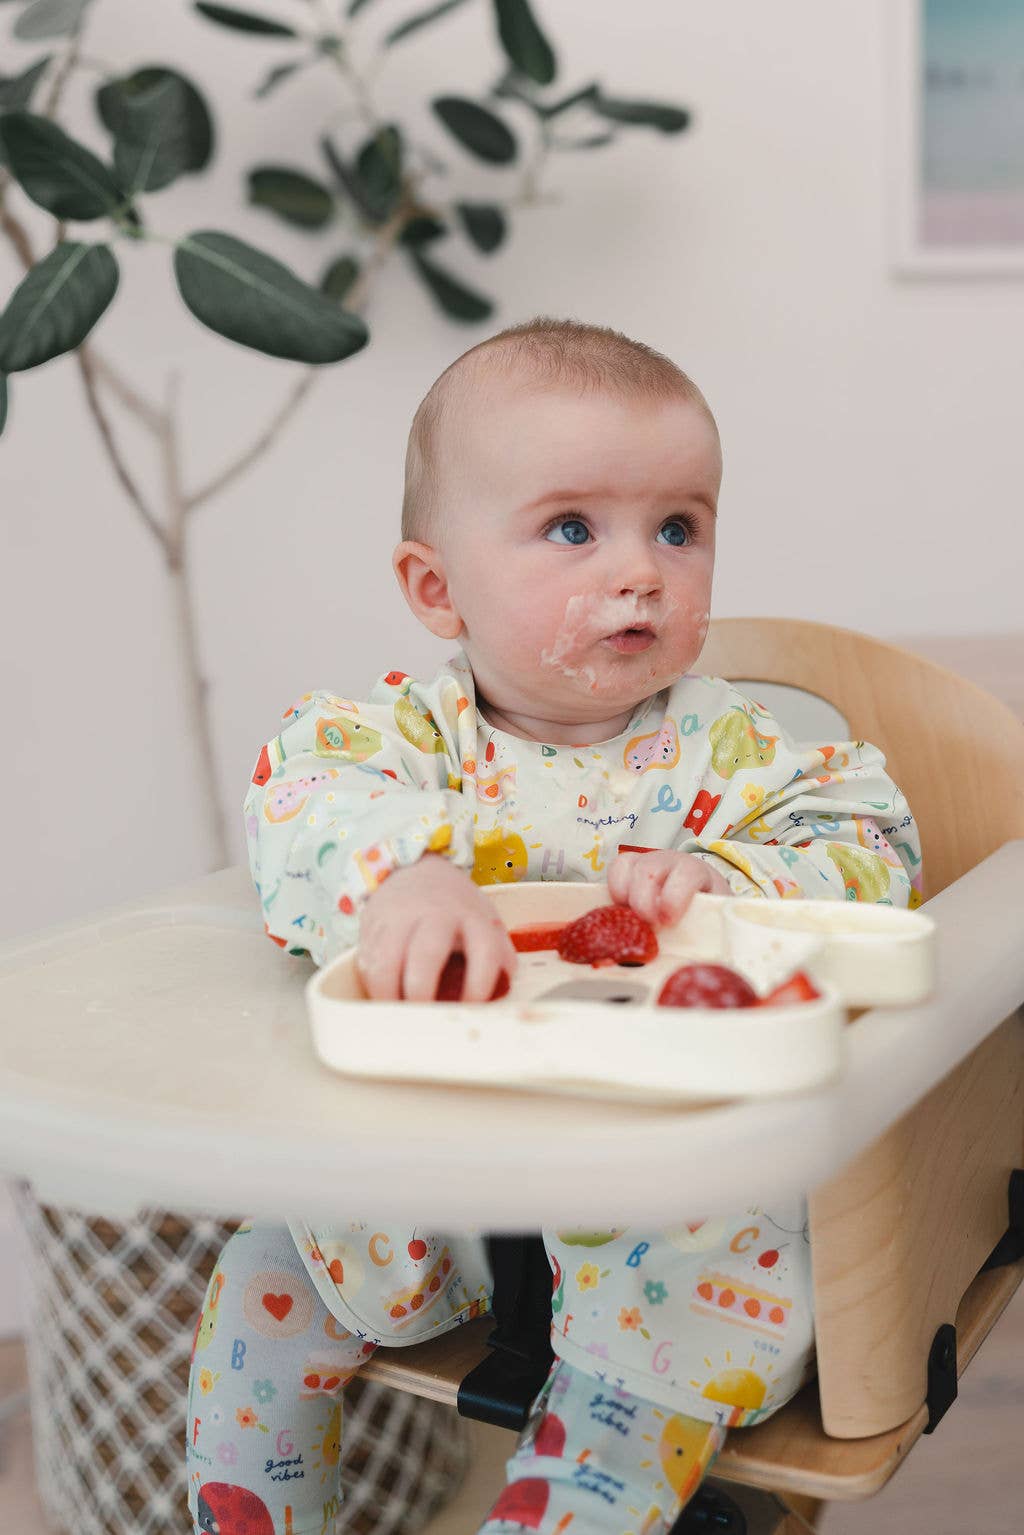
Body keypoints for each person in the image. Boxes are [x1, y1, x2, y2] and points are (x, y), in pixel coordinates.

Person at [187, 319, 921, 1535]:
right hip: (420, 1194)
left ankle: (580, 1482)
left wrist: (727, 870)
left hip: (660, 1222)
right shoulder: (394, 742)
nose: (640, 570)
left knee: (659, 1351)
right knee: (265, 1270)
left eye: (677, 527)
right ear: (436, 586)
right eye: (574, 528)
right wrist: (400, 881)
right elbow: (305, 803)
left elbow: (876, 844)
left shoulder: (733, 750)